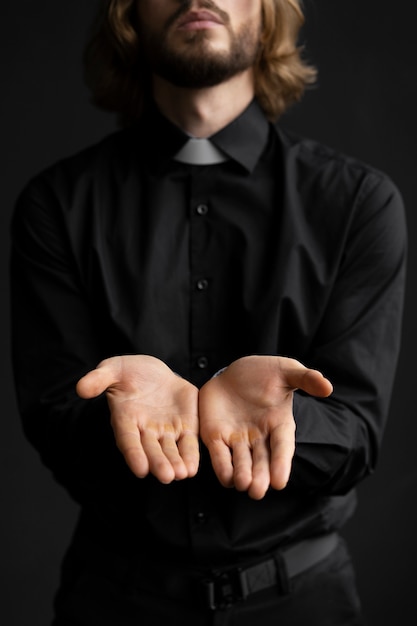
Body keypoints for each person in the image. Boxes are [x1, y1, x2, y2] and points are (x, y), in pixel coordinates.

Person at [10, 1, 407, 624]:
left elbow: (357, 431)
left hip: (304, 602)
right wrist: (122, 416)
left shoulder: (359, 204)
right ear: (130, 12)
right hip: (114, 600)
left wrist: (281, 416)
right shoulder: (56, 206)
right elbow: (54, 419)